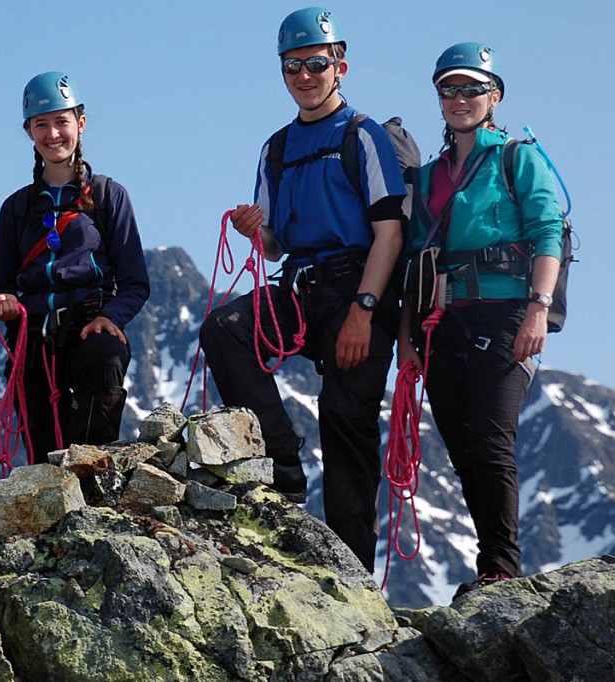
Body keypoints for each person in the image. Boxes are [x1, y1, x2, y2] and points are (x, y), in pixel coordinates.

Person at [198, 7, 407, 573]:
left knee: (344, 420)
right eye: (293, 66)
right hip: (300, 288)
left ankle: (355, 581)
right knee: (224, 328)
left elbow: (390, 230)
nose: (305, 75)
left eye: (317, 63)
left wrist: (364, 311)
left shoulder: (364, 136)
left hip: (359, 288)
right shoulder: (276, 148)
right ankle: (283, 462)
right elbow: (271, 246)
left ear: (340, 65)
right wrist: (255, 230)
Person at [396, 43, 563, 596]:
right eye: (449, 89)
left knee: (491, 437)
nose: (460, 98)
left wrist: (538, 310)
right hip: (443, 319)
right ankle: (493, 563)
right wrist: (407, 337)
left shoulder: (518, 157)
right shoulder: (425, 178)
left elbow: (547, 233)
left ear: (494, 96)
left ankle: (499, 568)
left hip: (509, 310)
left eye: (471, 88)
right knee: (461, 441)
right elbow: (416, 259)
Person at [0, 71, 150, 464]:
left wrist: (110, 317)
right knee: (43, 452)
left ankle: (93, 483)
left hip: (91, 323)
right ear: (28, 131)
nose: (53, 134)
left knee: (104, 357)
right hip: (34, 335)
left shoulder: (110, 196)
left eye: (61, 121)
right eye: (41, 124)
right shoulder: (16, 208)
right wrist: (2, 300)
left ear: (81, 123)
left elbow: (135, 282)